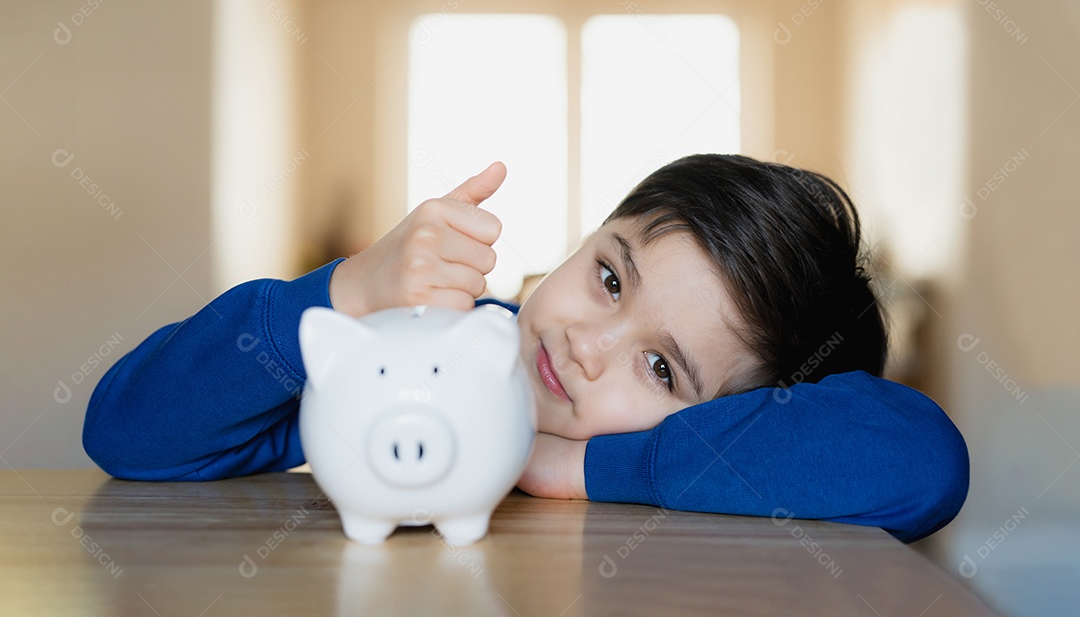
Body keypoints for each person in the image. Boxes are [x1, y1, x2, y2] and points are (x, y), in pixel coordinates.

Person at [82, 154, 968, 543]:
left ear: (735, 420)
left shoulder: (698, 466)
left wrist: (575, 470)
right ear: (584, 239)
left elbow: (920, 461)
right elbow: (125, 430)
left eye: (661, 368)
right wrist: (346, 291)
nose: (586, 342)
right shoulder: (418, 358)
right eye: (612, 277)